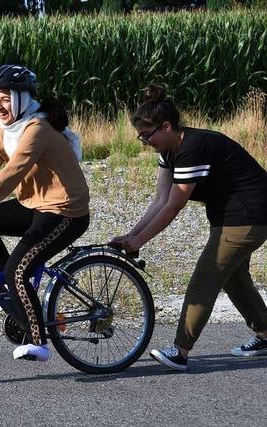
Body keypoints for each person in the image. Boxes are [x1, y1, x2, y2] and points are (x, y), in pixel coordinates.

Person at [110, 85, 267, 371]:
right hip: (227, 213)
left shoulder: (193, 148)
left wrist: (140, 240)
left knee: (206, 277)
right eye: (141, 137)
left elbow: (174, 206)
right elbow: (160, 199)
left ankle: (180, 351)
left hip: (250, 213)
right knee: (233, 277)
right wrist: (132, 235)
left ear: (167, 127)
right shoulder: (170, 150)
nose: (145, 142)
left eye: (147, 136)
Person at [0, 64, 90, 362]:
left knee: (17, 268)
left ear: (23, 99)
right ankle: (13, 292)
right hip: (33, 204)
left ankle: (38, 340)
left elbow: (13, 171)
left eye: (6, 98)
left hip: (64, 210)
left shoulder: (37, 129)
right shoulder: (6, 132)